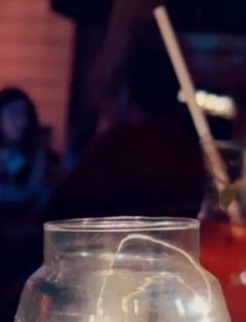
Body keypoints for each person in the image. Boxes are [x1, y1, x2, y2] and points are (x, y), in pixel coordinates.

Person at [45, 42, 204, 221]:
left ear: (126, 94)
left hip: (115, 244)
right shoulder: (188, 146)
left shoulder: (119, 145)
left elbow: (59, 208)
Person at [0, 88, 49, 207]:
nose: (22, 121)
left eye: (25, 114)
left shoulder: (36, 153)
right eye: (13, 114)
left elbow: (34, 192)